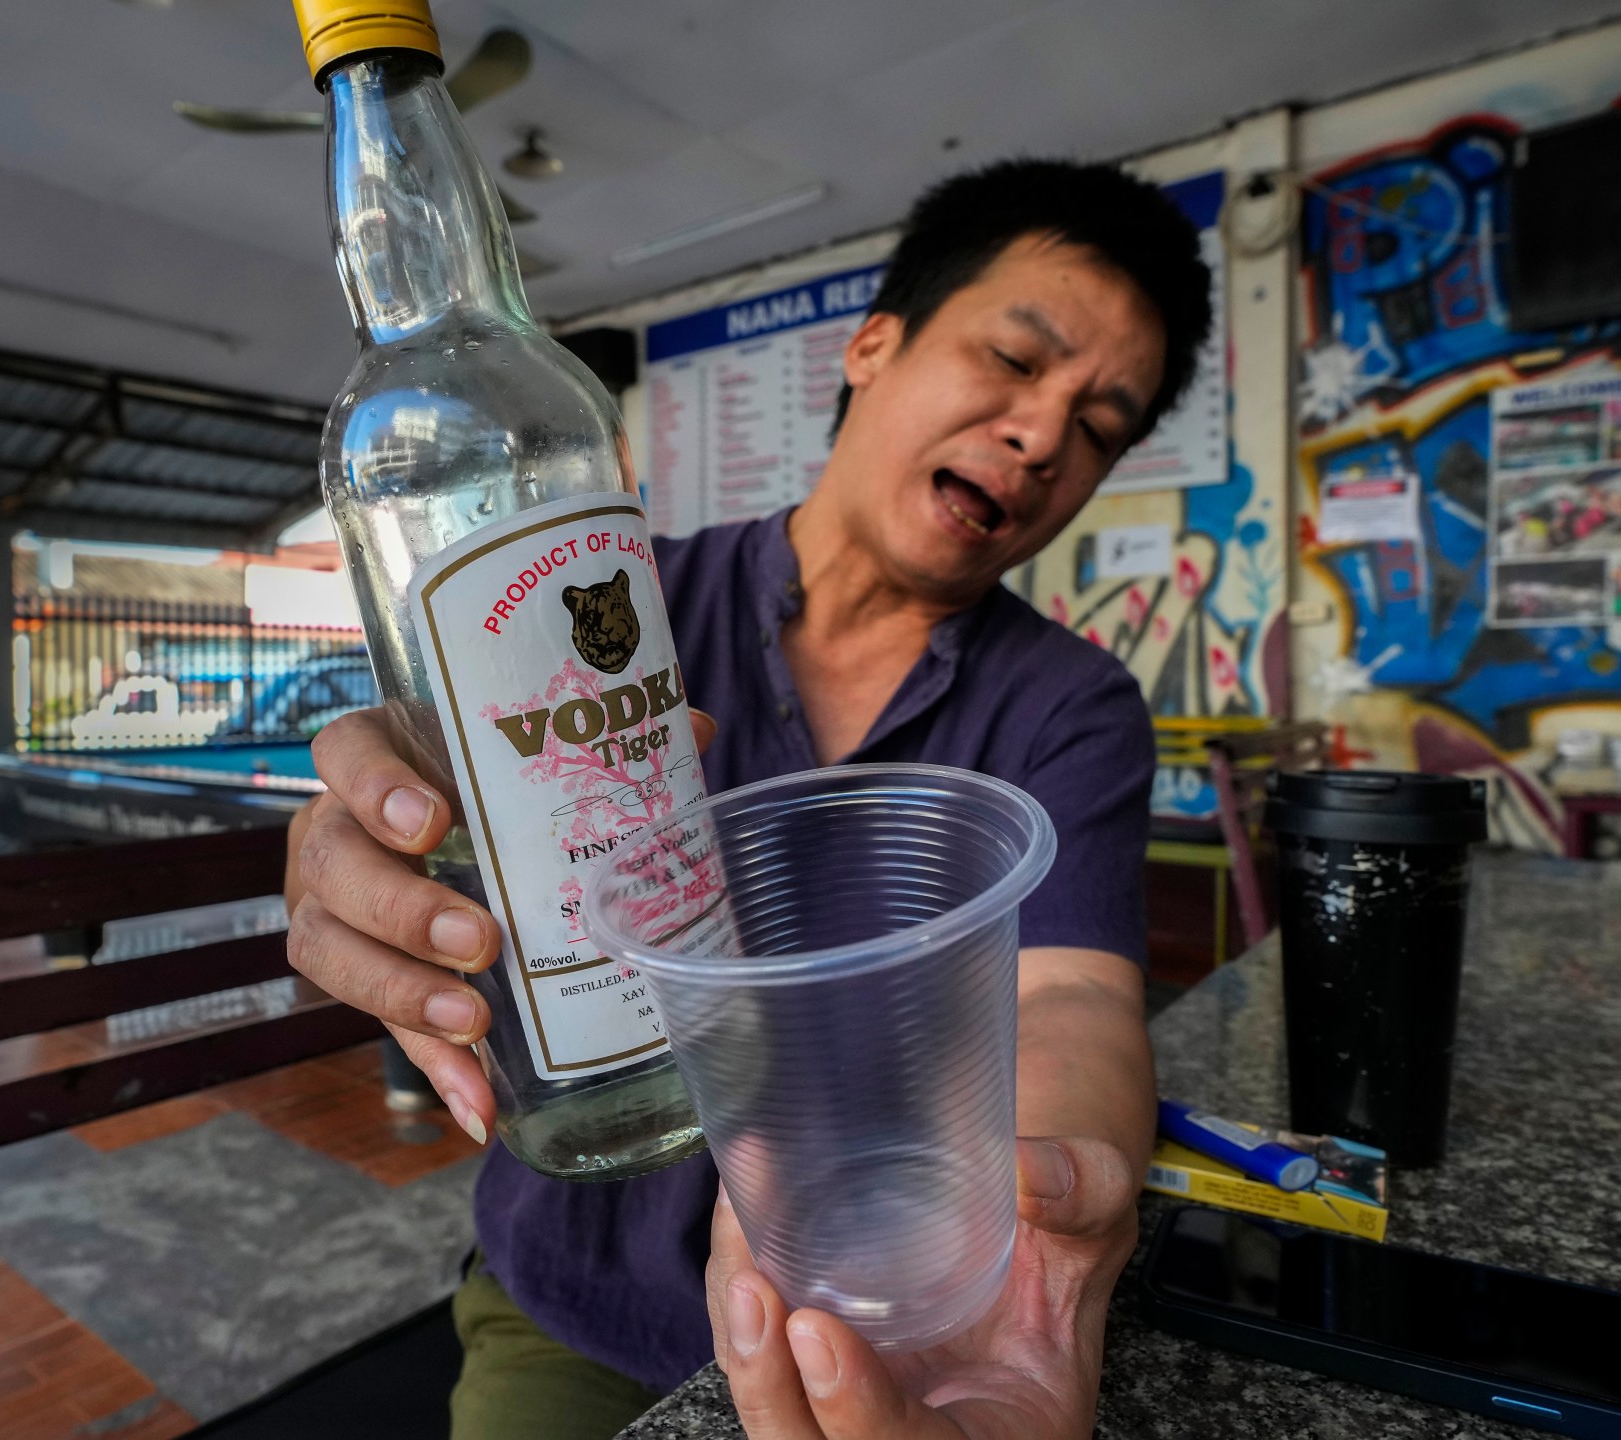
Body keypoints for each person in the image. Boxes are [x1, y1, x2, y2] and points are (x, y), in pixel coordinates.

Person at [283, 158, 1213, 1440]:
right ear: (872, 344)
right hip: (575, 1308)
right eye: (1012, 358)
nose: (1045, 436)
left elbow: (1069, 998)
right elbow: (425, 799)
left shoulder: (1073, 706)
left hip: (908, 1322)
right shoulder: (604, 607)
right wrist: (389, 847)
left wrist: (1032, 1233)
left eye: (1100, 425)